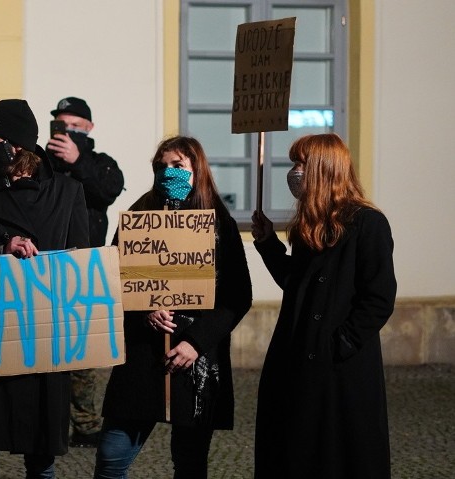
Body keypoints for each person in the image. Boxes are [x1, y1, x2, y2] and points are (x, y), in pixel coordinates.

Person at [0, 99, 90, 478]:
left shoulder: (67, 192)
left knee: (41, 458)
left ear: (17, 144)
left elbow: (81, 265)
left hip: (45, 339)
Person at [94, 136, 252, 479]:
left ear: (196, 170)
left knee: (190, 461)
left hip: (195, 360)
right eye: (161, 166)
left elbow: (238, 296)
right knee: (112, 455)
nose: (168, 172)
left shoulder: (217, 222)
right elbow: (115, 277)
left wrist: (196, 342)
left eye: (177, 166)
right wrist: (142, 307)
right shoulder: (139, 214)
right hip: (142, 354)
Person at [251, 133, 396, 479]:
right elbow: (296, 284)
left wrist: (339, 344)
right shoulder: (309, 225)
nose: (294, 172)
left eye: (301, 164)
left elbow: (378, 298)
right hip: (297, 358)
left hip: (339, 371)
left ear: (323, 169)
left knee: (337, 455)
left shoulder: (368, 223)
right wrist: (268, 244)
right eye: (293, 164)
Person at [45, 96, 125, 448]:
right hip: (46, 267)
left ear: (89, 128)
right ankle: (49, 423)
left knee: (83, 352)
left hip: (86, 270)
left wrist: (78, 162)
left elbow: (106, 192)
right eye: (62, 125)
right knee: (45, 348)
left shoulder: (100, 163)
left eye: (75, 126)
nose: (69, 131)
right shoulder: (43, 163)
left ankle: (86, 423)